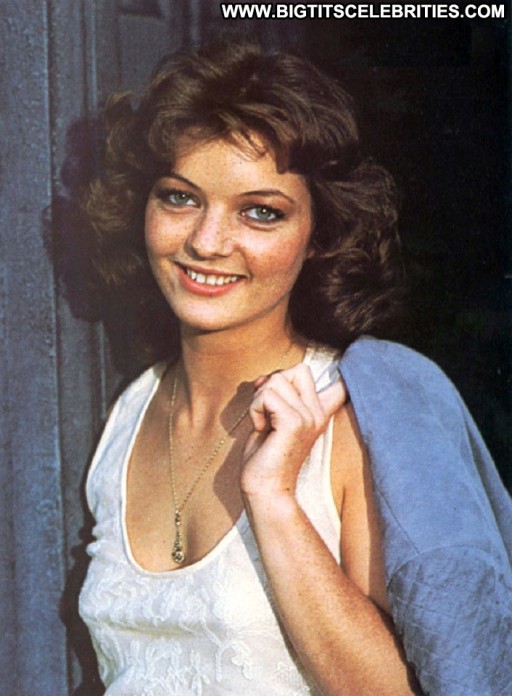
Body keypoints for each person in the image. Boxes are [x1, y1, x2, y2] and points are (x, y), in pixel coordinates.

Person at [78, 40, 512, 695]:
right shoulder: (129, 412)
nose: (207, 242)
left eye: (260, 212)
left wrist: (274, 500)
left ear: (319, 236)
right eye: (180, 198)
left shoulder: (355, 418)